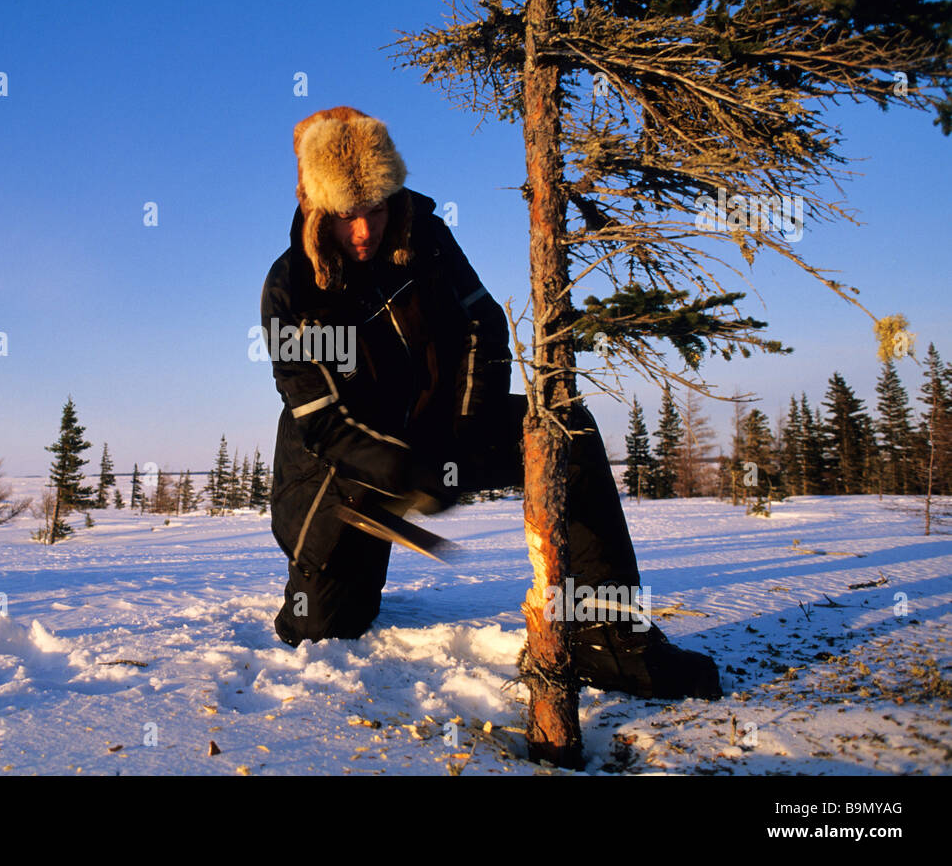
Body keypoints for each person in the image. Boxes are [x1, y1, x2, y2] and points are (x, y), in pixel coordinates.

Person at [261, 105, 721, 700]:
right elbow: (321, 421)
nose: (364, 231)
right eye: (348, 215)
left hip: (443, 428)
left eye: (374, 208)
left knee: (563, 431)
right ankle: (345, 574)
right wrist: (408, 472)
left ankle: (606, 635)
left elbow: (483, 323)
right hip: (341, 478)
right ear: (316, 207)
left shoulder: (424, 236)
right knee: (324, 625)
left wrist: (461, 430)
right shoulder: (290, 286)